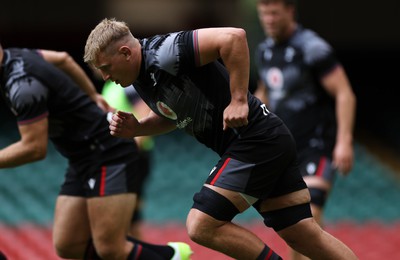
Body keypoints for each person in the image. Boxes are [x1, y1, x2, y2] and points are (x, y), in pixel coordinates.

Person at [84, 18, 358, 260]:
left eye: (106, 67)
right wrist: (138, 128)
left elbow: (233, 37)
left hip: (256, 141)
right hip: (266, 142)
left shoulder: (164, 51)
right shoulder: (142, 78)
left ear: (125, 52)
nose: (105, 76)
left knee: (201, 224)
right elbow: (174, 115)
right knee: (303, 235)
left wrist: (239, 99)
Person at [0, 43, 192, 260]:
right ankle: (169, 256)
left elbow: (34, 148)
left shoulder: (22, 87)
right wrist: (92, 95)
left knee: (111, 248)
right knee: (67, 245)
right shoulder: (20, 56)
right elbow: (63, 58)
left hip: (108, 152)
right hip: (82, 157)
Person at [254, 0, 357, 259]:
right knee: (295, 225)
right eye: (264, 14)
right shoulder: (264, 50)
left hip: (316, 143)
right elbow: (265, 92)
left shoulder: (312, 47)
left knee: (308, 214)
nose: (269, 19)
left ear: (290, 11)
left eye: (274, 13)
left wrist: (344, 141)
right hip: (285, 148)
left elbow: (345, 93)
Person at [100, 79, 155, 239]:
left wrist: (128, 155)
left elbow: (144, 115)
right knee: (123, 219)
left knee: (129, 217)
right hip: (119, 158)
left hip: (132, 158)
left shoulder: (127, 84)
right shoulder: (110, 85)